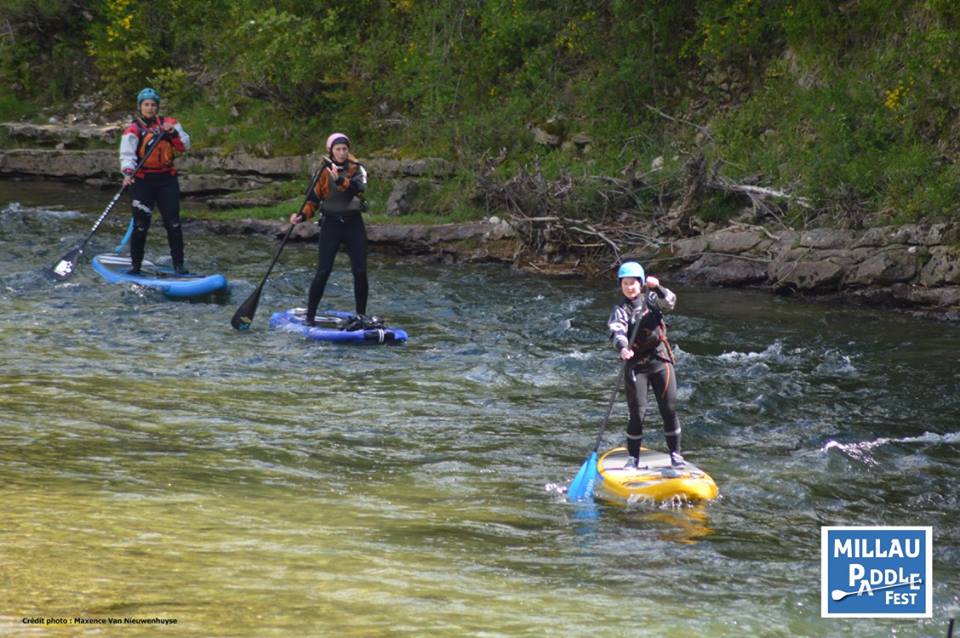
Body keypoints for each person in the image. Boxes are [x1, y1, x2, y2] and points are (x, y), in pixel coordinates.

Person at [607, 261, 685, 468]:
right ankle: (633, 459)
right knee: (637, 414)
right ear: (621, 286)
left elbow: (670, 302)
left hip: (660, 360)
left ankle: (676, 456)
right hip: (636, 365)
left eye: (633, 283)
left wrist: (658, 287)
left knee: (669, 409)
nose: (630, 287)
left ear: (641, 284)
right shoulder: (620, 309)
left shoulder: (651, 299)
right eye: (625, 284)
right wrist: (623, 347)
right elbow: (616, 331)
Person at [289, 132, 369, 326]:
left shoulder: (357, 169)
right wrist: (301, 216)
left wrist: (341, 180)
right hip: (331, 225)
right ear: (331, 151)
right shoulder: (322, 173)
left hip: (353, 225)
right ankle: (310, 317)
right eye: (338, 149)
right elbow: (312, 201)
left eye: (344, 149)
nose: (342, 152)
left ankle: (360, 316)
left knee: (360, 271)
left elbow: (360, 187)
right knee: (323, 271)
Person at [118, 87, 191, 275]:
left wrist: (173, 133)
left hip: (167, 180)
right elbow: (127, 156)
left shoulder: (170, 124)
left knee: (173, 223)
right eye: (146, 105)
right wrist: (127, 172)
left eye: (153, 105)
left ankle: (178, 264)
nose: (150, 108)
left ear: (157, 107)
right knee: (141, 225)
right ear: (140, 107)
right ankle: (136, 265)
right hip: (143, 181)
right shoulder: (133, 129)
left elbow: (184, 146)